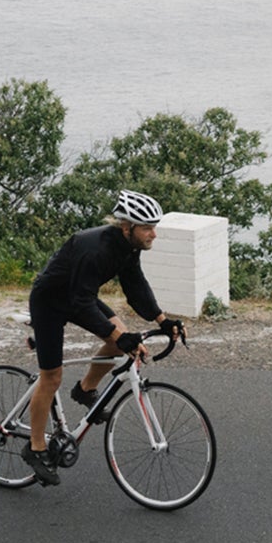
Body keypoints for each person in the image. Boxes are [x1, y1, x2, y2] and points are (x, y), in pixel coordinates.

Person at [21, 189, 178, 486]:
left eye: (154, 226)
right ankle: (36, 446)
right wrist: (120, 336)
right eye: (147, 227)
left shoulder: (128, 248)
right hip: (51, 301)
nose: (153, 234)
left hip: (79, 295)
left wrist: (163, 320)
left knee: (119, 337)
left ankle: (85, 389)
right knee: (52, 376)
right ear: (126, 226)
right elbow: (82, 303)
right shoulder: (96, 249)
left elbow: (136, 288)